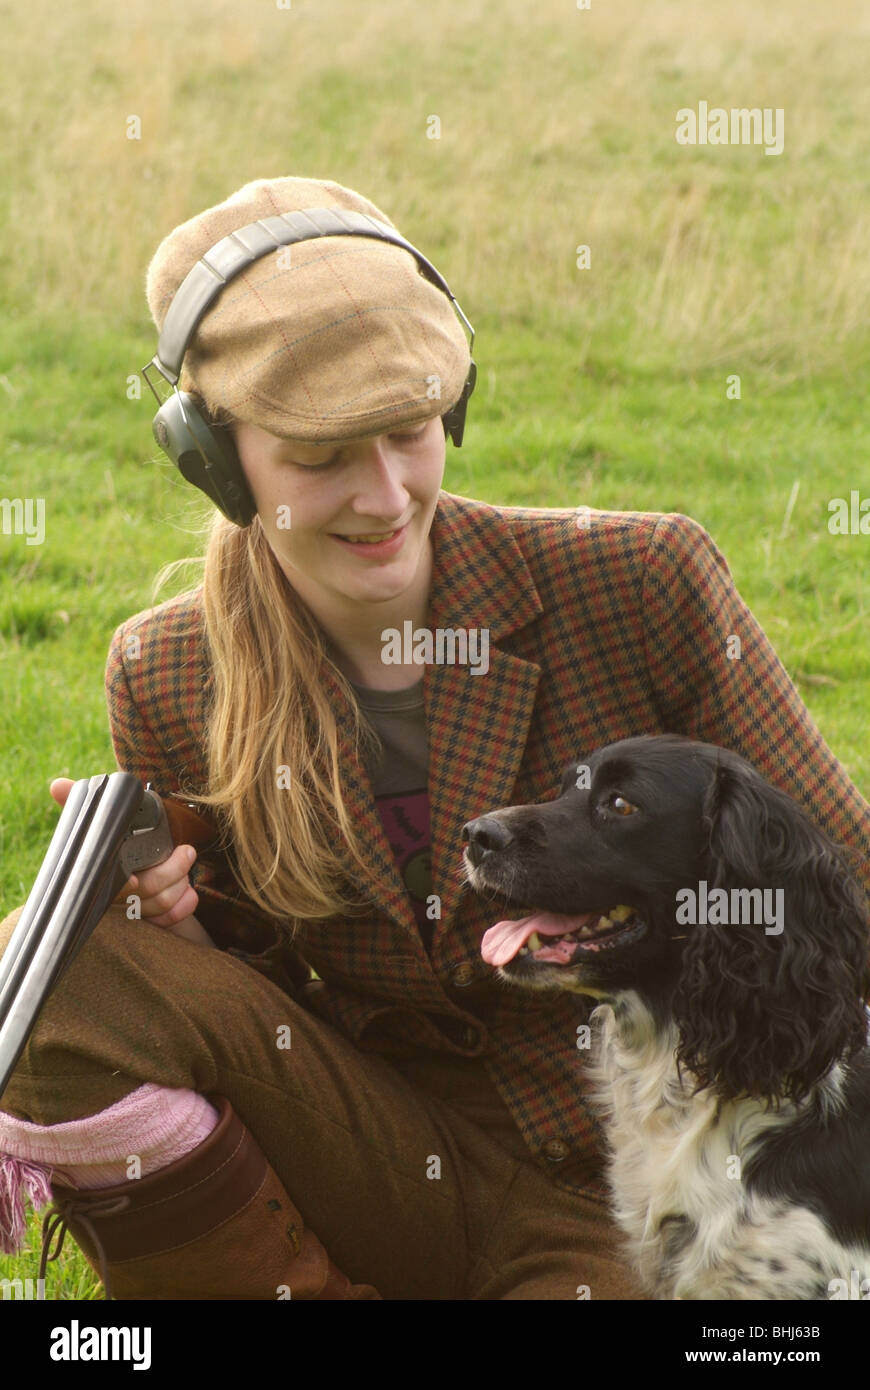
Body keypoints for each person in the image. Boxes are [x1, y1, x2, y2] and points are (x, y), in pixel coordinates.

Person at [0, 175, 868, 1301]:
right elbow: (262, 1025)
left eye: (409, 432)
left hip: (658, 1186)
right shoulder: (165, 669)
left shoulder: (641, 576)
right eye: (320, 458)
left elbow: (843, 887)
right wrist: (186, 936)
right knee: (57, 964)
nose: (385, 495)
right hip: (392, 1157)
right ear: (215, 459)